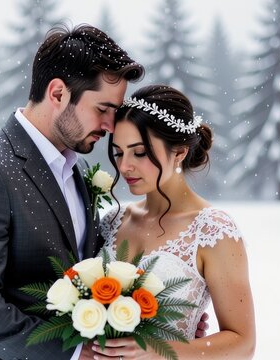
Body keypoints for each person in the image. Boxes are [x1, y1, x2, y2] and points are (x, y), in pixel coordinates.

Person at [0, 24, 144, 360]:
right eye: (103, 110)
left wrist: (146, 316)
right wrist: (71, 353)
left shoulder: (74, 171)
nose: (109, 126)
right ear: (58, 93)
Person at [93, 85, 256, 359]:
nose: (124, 166)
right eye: (119, 152)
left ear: (179, 152)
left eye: (140, 152)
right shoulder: (112, 220)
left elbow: (243, 343)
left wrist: (163, 350)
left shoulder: (213, 230)